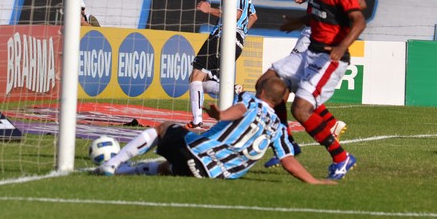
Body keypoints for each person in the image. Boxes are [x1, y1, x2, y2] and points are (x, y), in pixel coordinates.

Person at [256, 0, 366, 180]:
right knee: (266, 82)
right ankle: (286, 142)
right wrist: (298, 21)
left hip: (329, 57)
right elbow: (318, 13)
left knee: (301, 109)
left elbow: (359, 19)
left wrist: (342, 45)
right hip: (310, 51)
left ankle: (341, 157)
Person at [97, 76, 336, 184]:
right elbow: (288, 161)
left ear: (262, 92)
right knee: (168, 168)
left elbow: (240, 109)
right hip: (214, 175)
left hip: (196, 155)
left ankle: (112, 164)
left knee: (164, 128)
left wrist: (221, 115)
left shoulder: (250, 100)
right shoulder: (279, 129)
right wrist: (314, 181)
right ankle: (125, 173)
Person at [187, 0, 257, 129]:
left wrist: (209, 10)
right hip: (234, 41)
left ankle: (197, 121)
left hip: (222, 37)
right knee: (202, 80)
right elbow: (253, 16)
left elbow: (236, 14)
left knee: (196, 76)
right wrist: (241, 35)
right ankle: (232, 91)